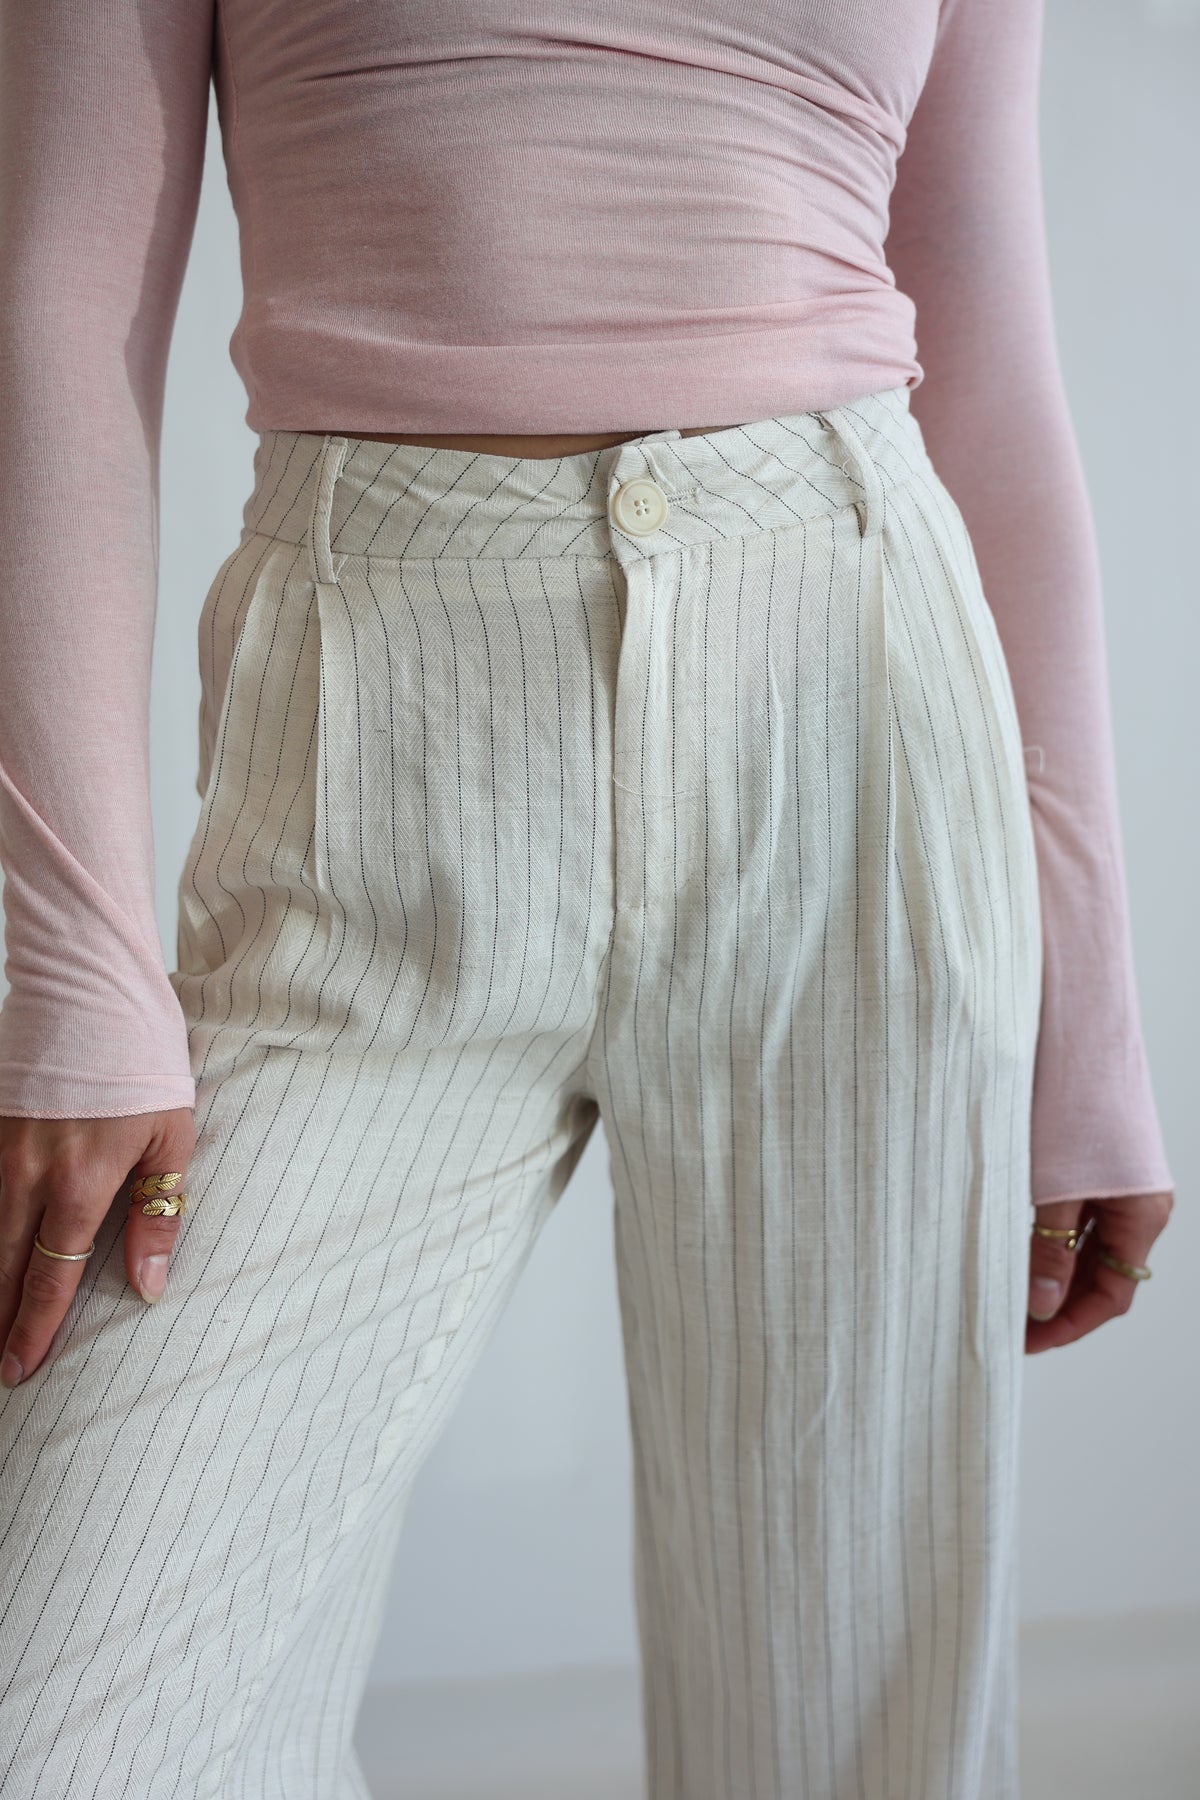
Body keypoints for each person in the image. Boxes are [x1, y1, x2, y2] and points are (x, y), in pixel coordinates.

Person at [0, 0, 1175, 1795]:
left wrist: (1090, 1000)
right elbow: (58, 293)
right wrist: (74, 971)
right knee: (61, 1714)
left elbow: (982, 315)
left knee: (852, 1712)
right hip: (373, 753)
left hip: (849, 697)